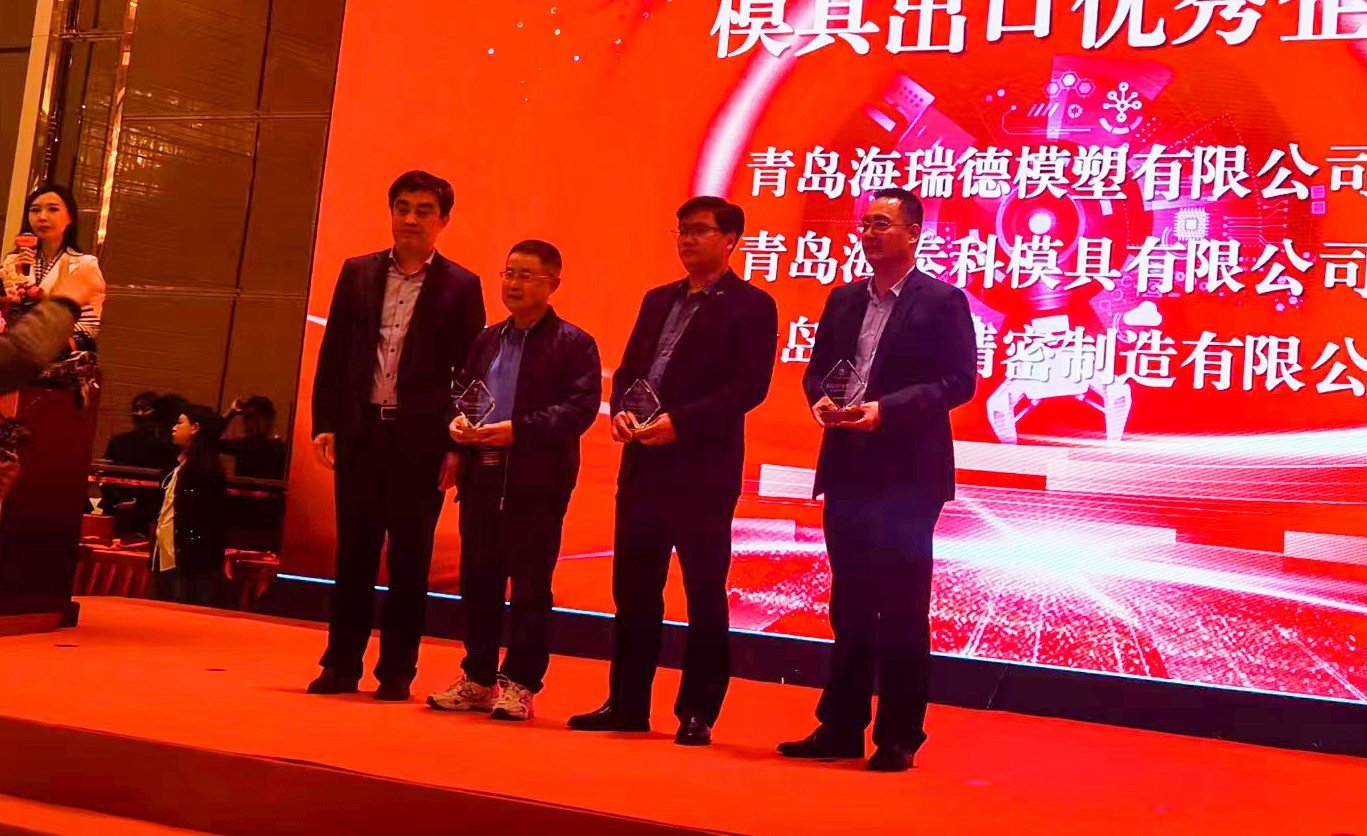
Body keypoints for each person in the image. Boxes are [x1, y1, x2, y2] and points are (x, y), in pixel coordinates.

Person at [778, 188, 977, 772]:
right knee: (850, 604)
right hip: (847, 467)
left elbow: (959, 382)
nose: (869, 233)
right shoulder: (843, 299)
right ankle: (841, 726)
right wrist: (820, 400)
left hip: (908, 475)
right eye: (865, 223)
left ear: (914, 233)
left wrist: (884, 410)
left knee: (903, 607)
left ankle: (899, 735)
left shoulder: (941, 300)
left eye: (883, 223)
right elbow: (818, 371)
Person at [568, 196, 778, 746]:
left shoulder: (753, 305)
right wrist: (621, 411)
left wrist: (679, 422)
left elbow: (748, 387)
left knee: (703, 591)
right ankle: (627, 703)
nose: (687, 239)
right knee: (634, 588)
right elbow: (631, 369)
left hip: (702, 469)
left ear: (730, 240)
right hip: (644, 462)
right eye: (682, 230)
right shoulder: (658, 298)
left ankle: (697, 710)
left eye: (700, 231)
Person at [307, 170, 485, 702]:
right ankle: (341, 664)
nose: (410, 218)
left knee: (410, 560)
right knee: (354, 556)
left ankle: (397, 671)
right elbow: (335, 353)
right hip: (361, 433)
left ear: (443, 220)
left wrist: (455, 446)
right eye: (402, 207)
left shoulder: (461, 285)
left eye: (424, 210)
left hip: (421, 442)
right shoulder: (357, 273)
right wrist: (326, 422)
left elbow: (470, 374)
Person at [427, 239, 601, 722]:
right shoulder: (487, 339)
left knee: (529, 587)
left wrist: (518, 431)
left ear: (553, 283)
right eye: (508, 273)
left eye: (526, 275)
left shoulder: (575, 343)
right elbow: (463, 393)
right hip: (481, 476)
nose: (513, 284)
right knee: (478, 580)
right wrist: (456, 427)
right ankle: (478, 676)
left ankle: (520, 684)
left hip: (536, 481)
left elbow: (580, 408)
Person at [2, 183, 105, 347]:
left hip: (57, 356)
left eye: (53, 209)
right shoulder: (11, 262)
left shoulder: (84, 265)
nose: (42, 217)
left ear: (70, 217)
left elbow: (89, 326)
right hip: (12, 355)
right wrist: (16, 276)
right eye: (35, 210)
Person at [151, 404, 228, 607]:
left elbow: (210, 520)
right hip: (168, 554)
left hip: (191, 561)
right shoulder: (179, 465)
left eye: (180, 423)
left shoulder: (207, 469)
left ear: (195, 428)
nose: (174, 427)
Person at [100, 391, 181, 539]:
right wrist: (120, 500)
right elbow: (104, 475)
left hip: (150, 515)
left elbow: (167, 484)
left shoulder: (168, 447)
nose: (139, 414)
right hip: (116, 511)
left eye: (145, 409)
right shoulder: (119, 441)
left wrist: (135, 502)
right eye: (136, 409)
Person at [222, 395, 287, 480]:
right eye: (246, 417)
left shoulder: (280, 450)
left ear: (268, 419)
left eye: (252, 417)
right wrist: (231, 412)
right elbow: (212, 441)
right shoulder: (244, 445)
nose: (247, 422)